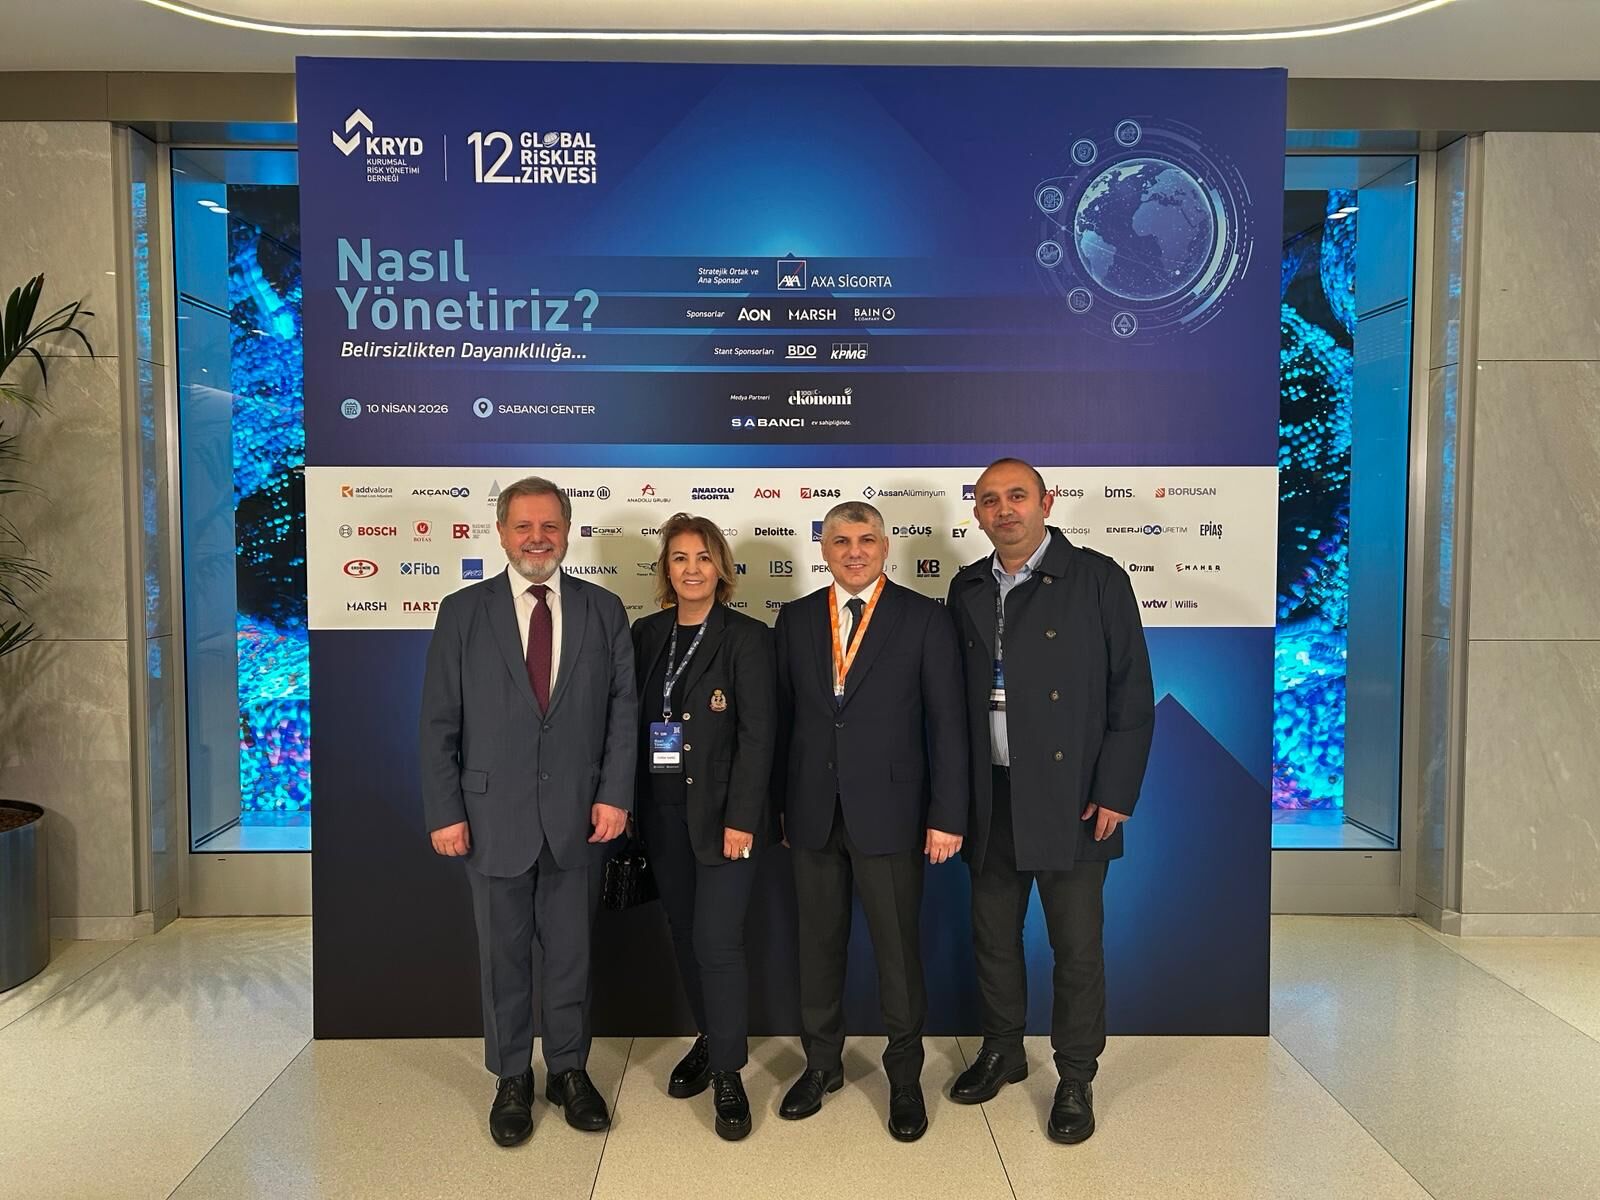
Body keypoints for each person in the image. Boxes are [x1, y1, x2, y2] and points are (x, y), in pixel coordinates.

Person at [418, 475, 636, 1148]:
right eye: (524, 526)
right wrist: (445, 811)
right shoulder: (463, 611)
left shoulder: (604, 610)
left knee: (571, 958)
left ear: (567, 532)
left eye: (549, 526)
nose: (537, 538)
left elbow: (623, 712)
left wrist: (615, 794)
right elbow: (438, 722)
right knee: (503, 960)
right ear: (502, 533)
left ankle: (569, 1071)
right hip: (490, 819)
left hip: (578, 817)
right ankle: (512, 1077)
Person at [945, 457, 1154, 1145]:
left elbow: (1132, 694)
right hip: (991, 794)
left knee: (1077, 946)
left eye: (1017, 496)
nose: (1004, 509)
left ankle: (1075, 1075)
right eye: (990, 500)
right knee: (993, 938)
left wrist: (1115, 791)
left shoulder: (1098, 579)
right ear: (977, 513)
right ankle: (1003, 1050)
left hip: (1073, 799)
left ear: (1046, 502)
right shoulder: (967, 585)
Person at [772, 500, 968, 1142]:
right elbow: (783, 723)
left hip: (893, 815)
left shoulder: (924, 618)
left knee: (898, 954)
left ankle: (904, 1078)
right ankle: (821, 1066)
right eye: (840, 541)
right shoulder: (796, 619)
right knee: (817, 948)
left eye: (865, 540)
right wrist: (780, 807)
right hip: (812, 814)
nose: (853, 552)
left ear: (886, 547)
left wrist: (947, 814)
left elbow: (948, 724)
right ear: (822, 550)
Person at [629, 514, 776, 1141]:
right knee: (686, 935)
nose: (692, 569)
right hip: (662, 815)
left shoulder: (747, 637)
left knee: (717, 942)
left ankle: (729, 1074)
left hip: (723, 821)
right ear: (666, 569)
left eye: (703, 557)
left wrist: (741, 819)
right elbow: (628, 722)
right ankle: (711, 1038)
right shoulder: (645, 634)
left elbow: (759, 736)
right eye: (680, 558)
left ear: (721, 568)